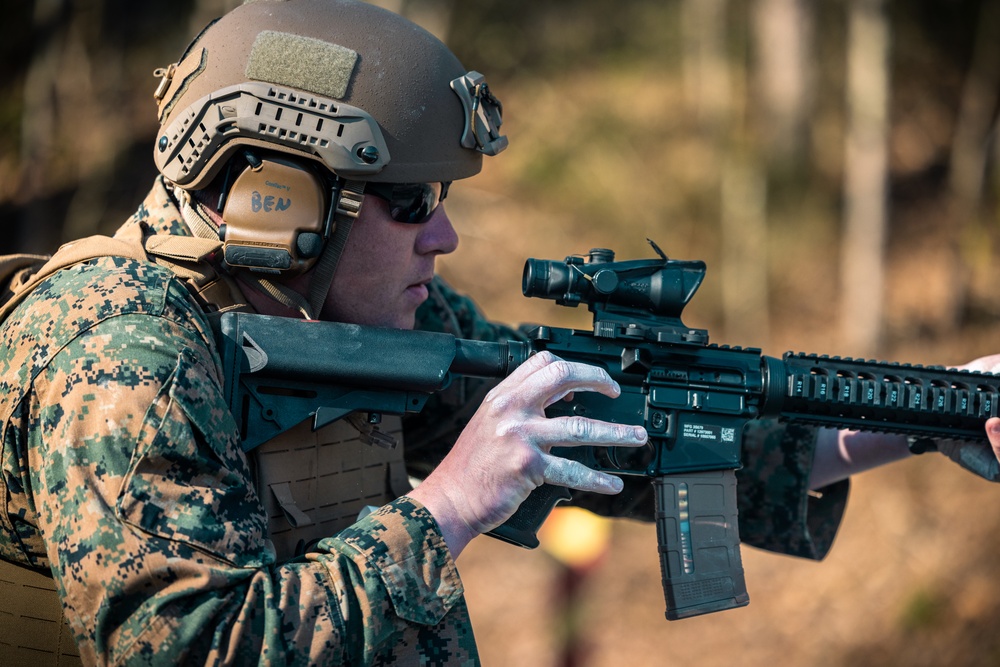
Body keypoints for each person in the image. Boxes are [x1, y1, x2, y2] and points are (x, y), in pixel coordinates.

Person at [0, 0, 998, 664]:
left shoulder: (362, 321)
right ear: (281, 197)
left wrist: (926, 413)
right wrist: (445, 507)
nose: (446, 234)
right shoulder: (123, 355)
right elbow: (185, 648)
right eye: (411, 202)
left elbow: (636, 438)